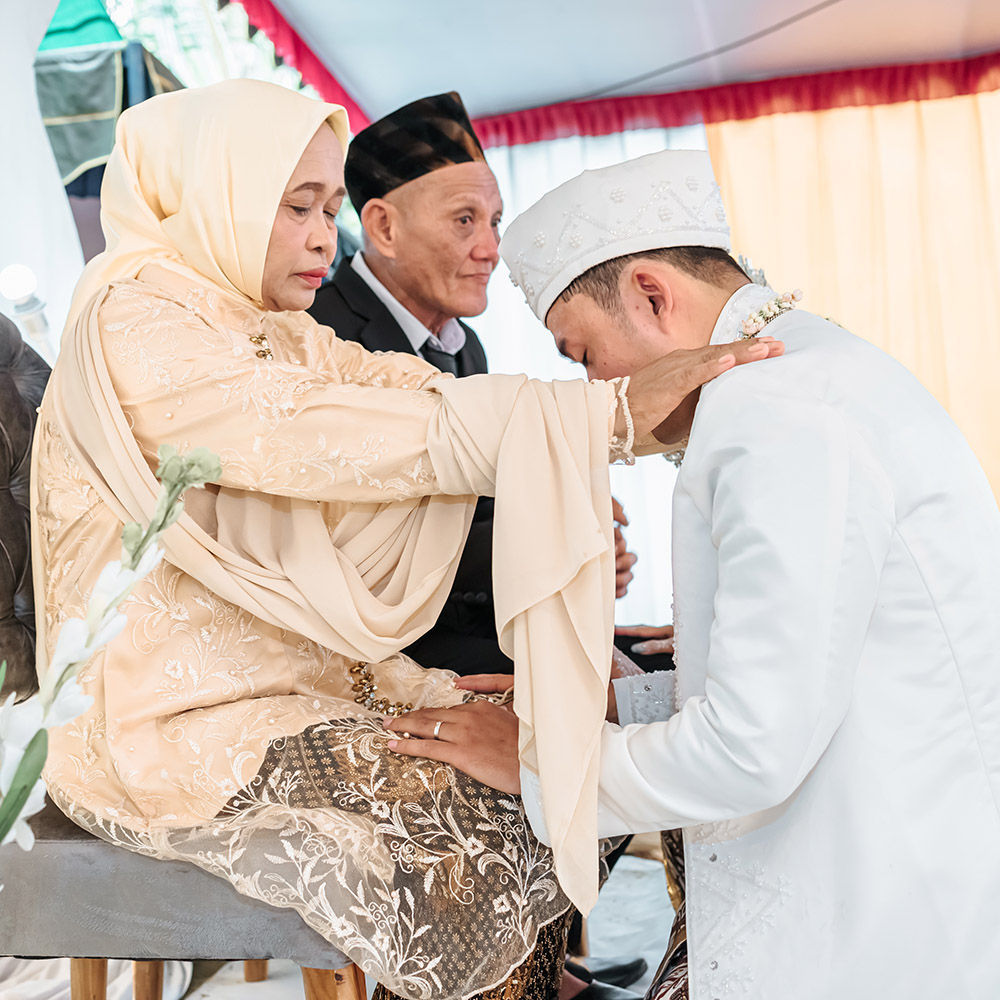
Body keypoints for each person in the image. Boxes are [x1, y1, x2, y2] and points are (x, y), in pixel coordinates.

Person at [31, 86, 780, 1000]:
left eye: (328, 210)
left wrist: (601, 424)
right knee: (476, 810)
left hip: (304, 686)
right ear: (210, 189)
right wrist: (606, 414)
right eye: (297, 206)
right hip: (169, 720)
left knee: (545, 761)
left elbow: (401, 395)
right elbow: (309, 429)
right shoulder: (133, 316)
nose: (321, 237)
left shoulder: (273, 327)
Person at [386, 149, 1000, 999]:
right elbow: (832, 665)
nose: (594, 388)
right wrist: (614, 702)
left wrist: (538, 758)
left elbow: (751, 746)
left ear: (650, 293)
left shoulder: (776, 414)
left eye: (583, 354)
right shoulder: (807, 371)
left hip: (870, 904)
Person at [308, 92, 638, 679]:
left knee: (644, 663)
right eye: (465, 220)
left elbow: (476, 505)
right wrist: (559, 536)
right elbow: (363, 542)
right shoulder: (323, 335)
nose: (491, 250)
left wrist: (576, 526)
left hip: (462, 626)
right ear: (383, 226)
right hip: (371, 651)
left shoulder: (466, 347)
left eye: (494, 221)